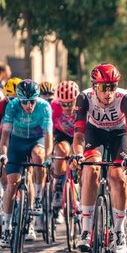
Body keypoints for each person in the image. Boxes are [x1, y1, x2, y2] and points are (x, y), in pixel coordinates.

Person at [71, 64, 127, 253]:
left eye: (112, 86)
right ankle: (86, 230)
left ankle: (119, 231)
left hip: (119, 135)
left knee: (117, 176)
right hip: (95, 134)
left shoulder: (125, 97)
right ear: (94, 87)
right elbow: (78, 135)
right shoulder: (84, 98)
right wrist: (77, 154)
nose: (108, 92)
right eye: (103, 87)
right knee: (89, 170)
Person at [0, 80, 53, 246]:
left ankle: (37, 197)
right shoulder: (12, 106)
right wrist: (4, 155)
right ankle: (6, 228)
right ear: (19, 100)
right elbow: (5, 136)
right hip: (17, 142)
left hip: (36, 140)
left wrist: (48, 157)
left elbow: (49, 137)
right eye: (25, 102)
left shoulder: (44, 107)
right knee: (12, 184)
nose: (29, 106)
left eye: (32, 101)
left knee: (39, 156)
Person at [50, 81, 80, 212]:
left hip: (79, 134)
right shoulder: (54, 107)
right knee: (62, 151)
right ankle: (57, 187)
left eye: (70, 103)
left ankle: (81, 194)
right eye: (64, 104)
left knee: (80, 158)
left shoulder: (82, 105)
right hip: (62, 134)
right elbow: (48, 130)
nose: (67, 107)